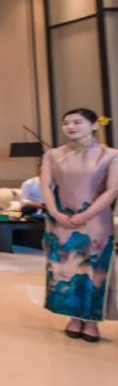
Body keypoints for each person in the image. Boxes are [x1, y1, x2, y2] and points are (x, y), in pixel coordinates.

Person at [40, 108, 118, 343]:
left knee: (94, 269)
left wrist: (86, 215)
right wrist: (55, 212)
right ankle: (73, 317)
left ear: (94, 125)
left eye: (77, 122)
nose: (70, 127)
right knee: (65, 268)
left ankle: (91, 321)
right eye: (66, 123)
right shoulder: (53, 155)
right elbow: (46, 186)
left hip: (95, 220)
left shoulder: (110, 155)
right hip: (60, 220)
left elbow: (112, 190)